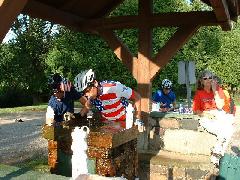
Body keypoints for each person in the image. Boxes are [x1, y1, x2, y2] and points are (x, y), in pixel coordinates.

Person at [192, 70, 234, 167]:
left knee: (230, 129)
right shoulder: (199, 93)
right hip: (206, 116)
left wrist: (215, 90)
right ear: (201, 81)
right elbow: (195, 110)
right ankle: (216, 155)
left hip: (219, 114)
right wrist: (206, 115)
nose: (208, 80)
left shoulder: (218, 90)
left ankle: (219, 153)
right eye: (205, 78)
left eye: (210, 77)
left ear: (213, 79)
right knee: (222, 131)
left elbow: (220, 106)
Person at [74, 69, 142, 129]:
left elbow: (137, 97)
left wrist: (138, 118)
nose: (86, 95)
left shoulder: (114, 87)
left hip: (124, 121)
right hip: (108, 123)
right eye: (83, 93)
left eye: (87, 90)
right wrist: (78, 116)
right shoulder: (92, 96)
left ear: (95, 83)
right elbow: (87, 106)